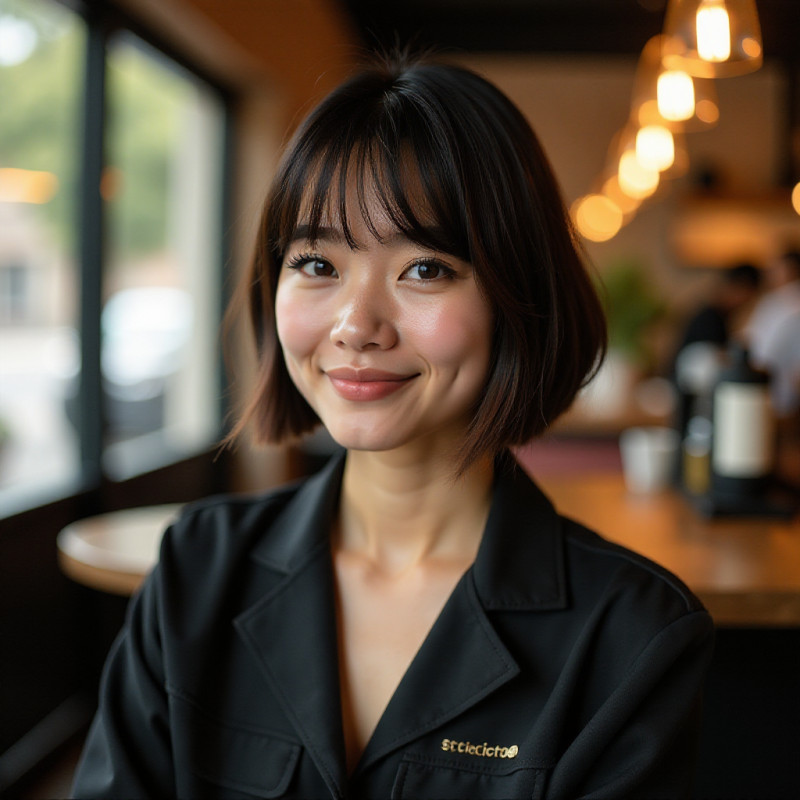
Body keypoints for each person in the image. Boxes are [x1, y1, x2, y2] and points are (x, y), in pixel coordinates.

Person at [72, 51, 714, 799]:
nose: (356, 325)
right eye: (316, 262)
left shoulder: (633, 636)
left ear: (520, 297)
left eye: (425, 269)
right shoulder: (196, 571)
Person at [745, 250, 800, 417]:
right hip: (773, 390)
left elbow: (761, 349)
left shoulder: (786, 304)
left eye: (776, 268)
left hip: (772, 391)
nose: (770, 273)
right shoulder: (775, 301)